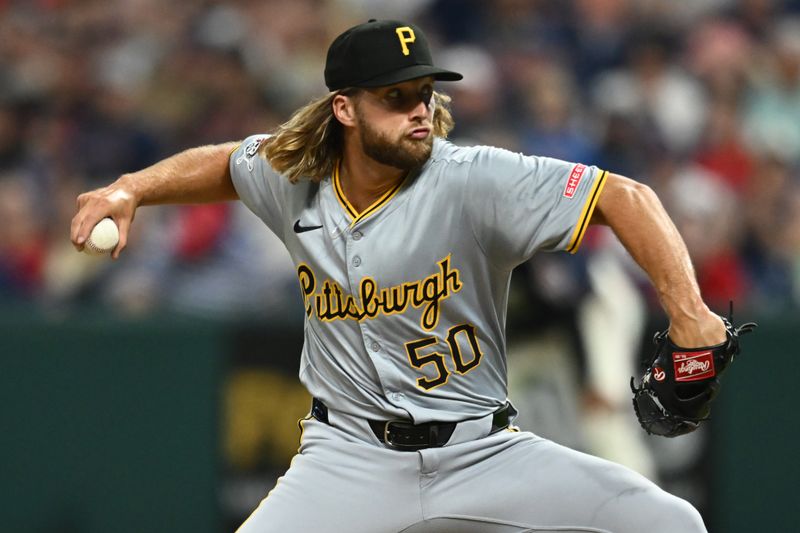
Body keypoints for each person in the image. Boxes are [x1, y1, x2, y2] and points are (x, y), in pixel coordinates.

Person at [71, 19, 723, 533]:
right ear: (345, 110)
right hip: (347, 458)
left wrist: (688, 311)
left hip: (481, 452)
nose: (418, 109)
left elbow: (625, 197)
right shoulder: (294, 177)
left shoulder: (473, 180)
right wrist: (132, 188)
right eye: (394, 97)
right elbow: (225, 165)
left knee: (669, 521)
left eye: (422, 92)